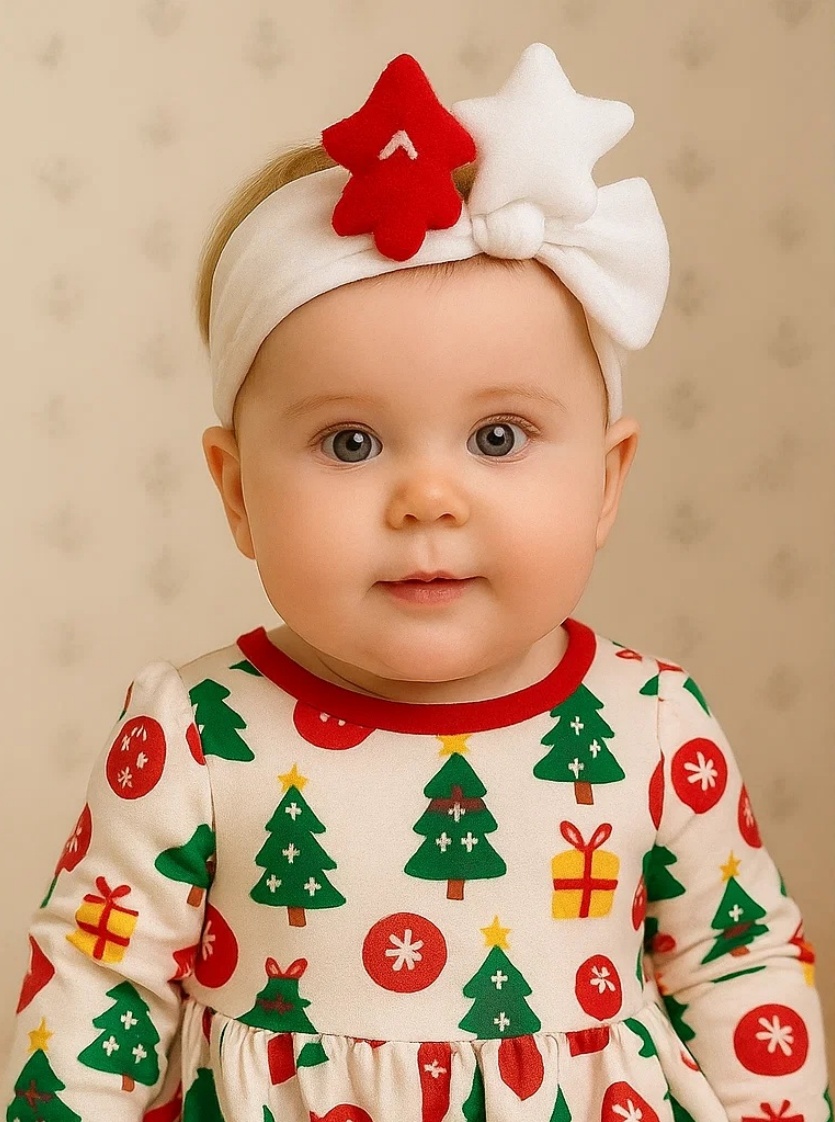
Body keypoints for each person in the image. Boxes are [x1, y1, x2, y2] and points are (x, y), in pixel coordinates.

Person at [1, 42, 829, 1122]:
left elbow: (739, 966)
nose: (427, 499)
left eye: (497, 435)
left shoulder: (655, 727)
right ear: (237, 490)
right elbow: (94, 982)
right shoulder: (198, 736)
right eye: (350, 443)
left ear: (606, 481)